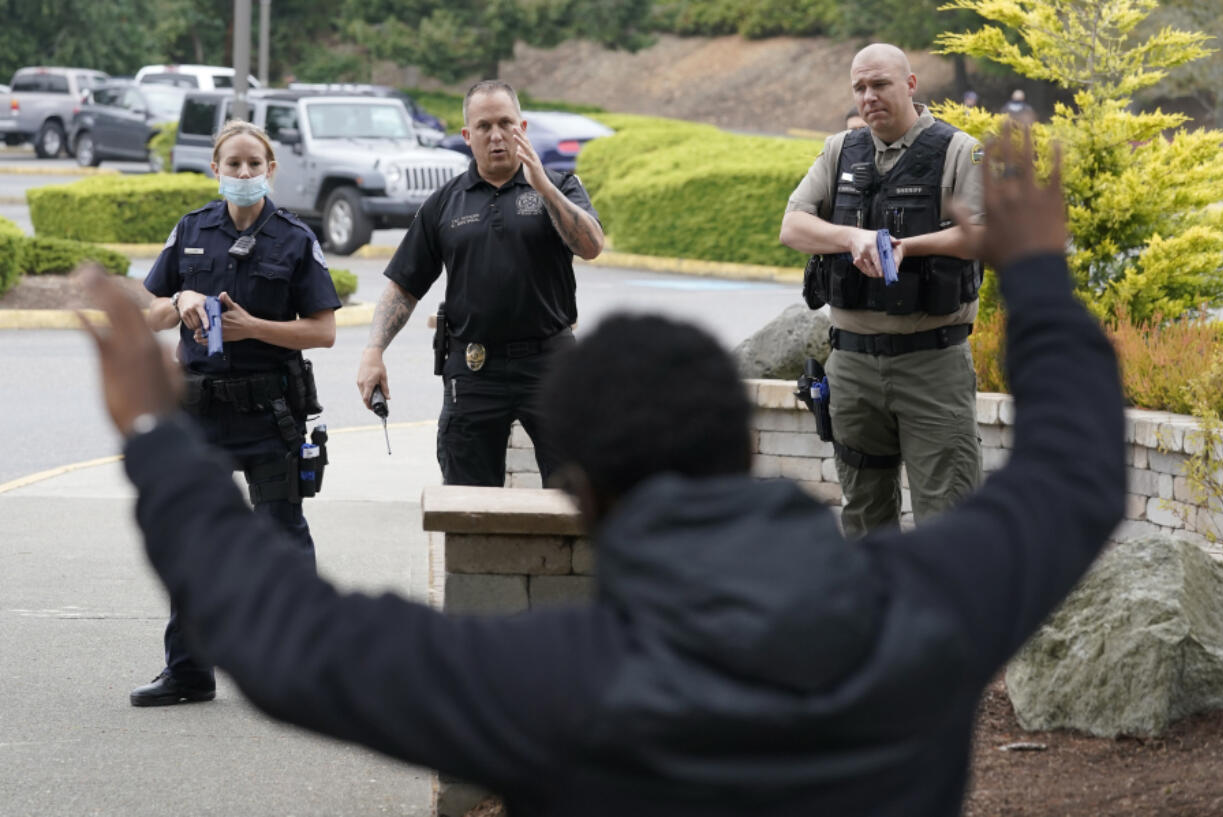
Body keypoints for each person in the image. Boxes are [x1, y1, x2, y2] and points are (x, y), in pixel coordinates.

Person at [82, 122, 1127, 815]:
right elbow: (1076, 467)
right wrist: (1034, 272)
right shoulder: (928, 608)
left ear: (581, 494)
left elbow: (286, 637)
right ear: (738, 439)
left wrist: (154, 437)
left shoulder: (546, 681)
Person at [133, 119, 341, 706]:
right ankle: (188, 673)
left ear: (270, 169)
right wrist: (180, 299)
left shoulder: (295, 239)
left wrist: (255, 328)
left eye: (255, 164)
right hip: (197, 414)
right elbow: (148, 312)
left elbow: (322, 332)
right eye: (234, 165)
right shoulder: (192, 230)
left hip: (269, 414)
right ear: (215, 169)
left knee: (282, 541)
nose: (244, 174)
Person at [780, 43, 986, 536]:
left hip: (932, 365)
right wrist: (851, 237)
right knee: (864, 519)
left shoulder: (960, 151)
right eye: (859, 88)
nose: (868, 96)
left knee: (948, 516)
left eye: (880, 85)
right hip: (852, 365)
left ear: (911, 85)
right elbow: (792, 226)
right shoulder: (839, 151)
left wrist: (905, 248)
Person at [355, 79, 604, 487]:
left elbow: (591, 246)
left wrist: (542, 186)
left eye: (506, 123)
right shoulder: (444, 203)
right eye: (484, 126)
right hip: (474, 369)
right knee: (466, 499)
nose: (497, 135)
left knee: (576, 490)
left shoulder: (560, 186)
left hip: (551, 364)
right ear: (468, 136)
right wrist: (373, 351)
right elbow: (404, 285)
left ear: (521, 128)